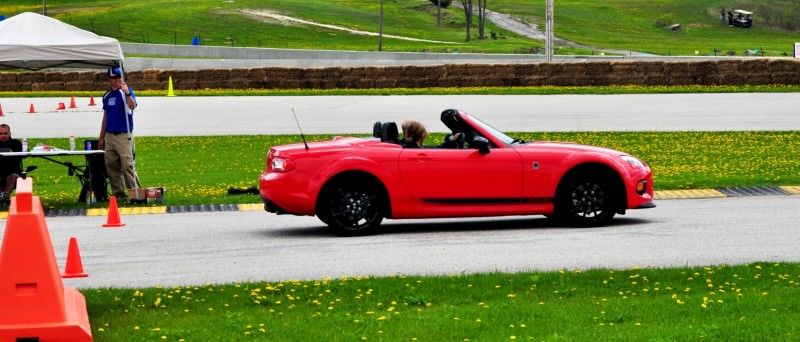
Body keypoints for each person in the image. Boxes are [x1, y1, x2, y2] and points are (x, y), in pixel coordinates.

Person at [99, 66, 140, 202]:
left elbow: (133, 106)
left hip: (123, 134)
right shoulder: (107, 96)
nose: (117, 80)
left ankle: (136, 194)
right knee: (111, 164)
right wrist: (101, 137)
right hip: (110, 135)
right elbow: (106, 117)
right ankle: (119, 195)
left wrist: (127, 93)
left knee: (127, 164)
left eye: (118, 77)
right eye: (114, 78)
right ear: (109, 80)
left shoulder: (125, 92)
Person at [400, 119, 465, 149]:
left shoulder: (404, 146)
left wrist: (450, 139)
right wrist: (451, 140)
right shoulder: (413, 150)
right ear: (423, 135)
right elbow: (438, 151)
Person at [0, 124, 22, 201]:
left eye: (5, 133)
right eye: (1, 133)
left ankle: (4, 196)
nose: (3, 136)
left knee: (12, 176)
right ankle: (2, 196)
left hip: (13, 173)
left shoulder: (16, 143)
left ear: (9, 133)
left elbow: (21, 155)